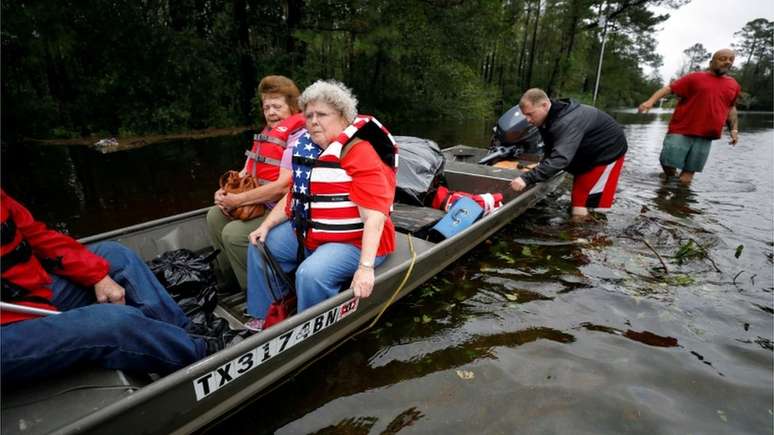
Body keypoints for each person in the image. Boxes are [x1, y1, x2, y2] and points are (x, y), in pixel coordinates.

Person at [0, 190, 235, 384]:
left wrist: (96, 276)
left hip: (30, 297)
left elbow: (39, 238)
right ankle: (202, 356)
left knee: (114, 255)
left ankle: (184, 331)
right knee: (114, 322)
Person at [243, 80, 398, 331]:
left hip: (356, 240)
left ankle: (310, 331)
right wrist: (266, 225)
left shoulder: (360, 152)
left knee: (311, 274)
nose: (313, 121)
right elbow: (296, 196)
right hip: (315, 232)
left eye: (322, 114)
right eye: (309, 115)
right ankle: (265, 317)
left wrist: (365, 268)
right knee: (261, 246)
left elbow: (375, 217)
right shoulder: (311, 149)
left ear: (344, 117)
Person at [207, 75, 306, 292]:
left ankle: (259, 292)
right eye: (266, 107)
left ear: (292, 107)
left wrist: (238, 200)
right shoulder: (267, 136)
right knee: (214, 215)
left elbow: (282, 186)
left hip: (284, 210)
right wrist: (223, 193)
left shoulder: (299, 138)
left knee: (233, 234)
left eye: (277, 106)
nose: (271, 112)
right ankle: (231, 279)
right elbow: (245, 171)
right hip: (261, 203)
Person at [510, 88, 628, 219]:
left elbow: (560, 159)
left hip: (606, 152)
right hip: (586, 152)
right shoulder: (547, 118)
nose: (527, 120)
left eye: (530, 114)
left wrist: (526, 178)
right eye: (524, 115)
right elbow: (551, 149)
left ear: (544, 105)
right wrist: (542, 167)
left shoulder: (565, 122)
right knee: (579, 200)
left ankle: (586, 236)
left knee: (582, 206)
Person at [638, 48, 740, 184]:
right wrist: (650, 101)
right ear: (711, 62)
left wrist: (734, 130)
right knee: (666, 161)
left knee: (688, 175)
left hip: (706, 135)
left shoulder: (733, 85)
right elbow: (669, 89)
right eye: (722, 59)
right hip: (681, 129)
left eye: (730, 60)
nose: (727, 62)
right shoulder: (695, 77)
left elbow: (731, 108)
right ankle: (669, 181)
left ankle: (678, 202)